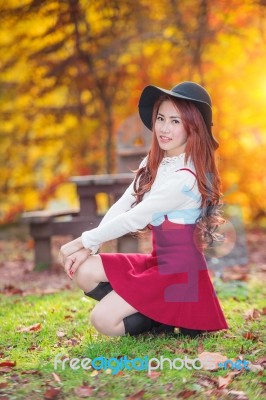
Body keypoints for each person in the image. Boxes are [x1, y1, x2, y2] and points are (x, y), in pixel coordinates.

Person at [59, 81, 228, 338]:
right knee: (84, 270)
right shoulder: (154, 163)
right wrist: (89, 247)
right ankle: (157, 314)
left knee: (103, 320)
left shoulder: (186, 177)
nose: (164, 128)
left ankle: (159, 315)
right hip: (157, 262)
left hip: (180, 274)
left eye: (175, 121)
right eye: (161, 118)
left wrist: (79, 242)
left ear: (192, 126)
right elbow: (124, 204)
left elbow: (135, 217)